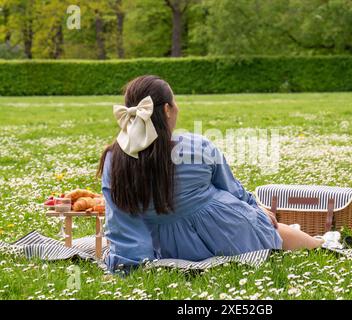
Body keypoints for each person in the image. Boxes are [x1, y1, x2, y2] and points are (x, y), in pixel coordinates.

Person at [98, 75, 333, 273]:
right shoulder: (195, 146)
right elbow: (231, 189)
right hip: (227, 232)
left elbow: (120, 223)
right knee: (273, 229)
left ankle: (320, 242)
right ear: (168, 109)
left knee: (269, 226)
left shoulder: (114, 161)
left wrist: (132, 265)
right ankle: (323, 244)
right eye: (175, 102)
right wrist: (254, 207)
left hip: (168, 245)